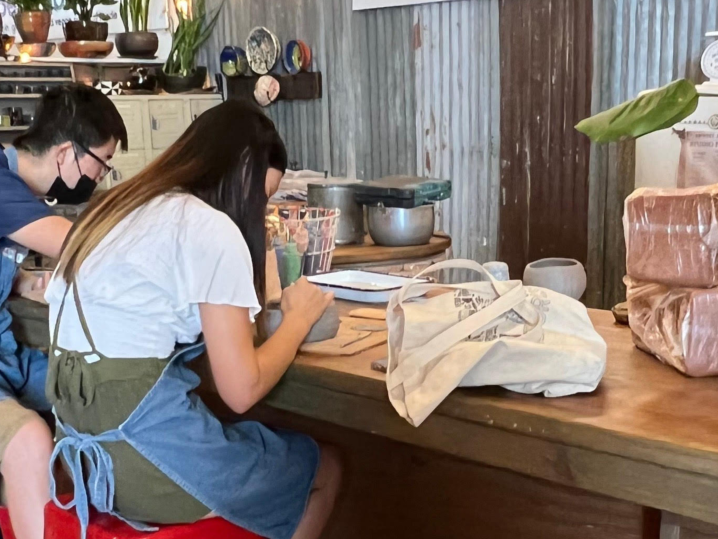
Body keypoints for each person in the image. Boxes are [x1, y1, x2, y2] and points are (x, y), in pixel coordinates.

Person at [45, 99, 342, 539]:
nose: (257, 213)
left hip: (84, 462)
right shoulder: (208, 227)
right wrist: (300, 318)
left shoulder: (112, 208)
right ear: (242, 171)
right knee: (324, 467)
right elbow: (241, 390)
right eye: (261, 197)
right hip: (138, 465)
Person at [0, 84, 127, 539]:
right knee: (32, 439)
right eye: (101, 162)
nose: (101, 175)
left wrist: (19, 281)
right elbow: (85, 247)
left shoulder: (18, 192)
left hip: (8, 358)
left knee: (100, 388)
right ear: (65, 155)